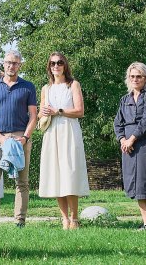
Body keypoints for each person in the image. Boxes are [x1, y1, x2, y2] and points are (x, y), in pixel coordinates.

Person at [0, 49, 38, 228]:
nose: (11, 66)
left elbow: (33, 116)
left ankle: (20, 222)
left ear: (20, 65)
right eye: (8, 62)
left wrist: (26, 138)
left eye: (15, 63)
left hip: (21, 138)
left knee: (22, 182)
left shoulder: (28, 87)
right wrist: (1, 138)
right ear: (3, 64)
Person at [38, 51, 90, 229]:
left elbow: (80, 111)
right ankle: (64, 219)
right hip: (52, 133)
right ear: (49, 67)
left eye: (59, 62)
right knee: (56, 175)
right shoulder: (46, 88)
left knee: (70, 172)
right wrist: (43, 112)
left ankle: (75, 218)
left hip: (69, 130)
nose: (56, 66)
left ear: (65, 65)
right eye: (52, 63)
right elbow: (40, 112)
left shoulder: (73, 85)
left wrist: (58, 111)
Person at [114, 62, 146, 230]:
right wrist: (122, 140)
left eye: (139, 76)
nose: (135, 79)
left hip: (144, 144)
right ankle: (145, 222)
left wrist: (132, 139)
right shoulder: (124, 99)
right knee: (135, 185)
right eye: (132, 76)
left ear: (145, 78)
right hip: (127, 147)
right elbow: (118, 123)